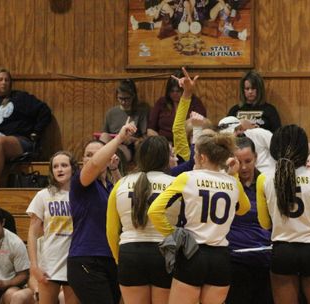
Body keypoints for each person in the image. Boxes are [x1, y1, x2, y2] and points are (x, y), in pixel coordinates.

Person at [147, 68, 250, 304]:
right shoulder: (230, 181)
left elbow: (154, 210)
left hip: (193, 252)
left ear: (201, 155)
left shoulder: (188, 176)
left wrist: (175, 237)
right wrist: (233, 177)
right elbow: (243, 209)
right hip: (221, 256)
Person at [256, 124, 310, 304]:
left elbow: (265, 224)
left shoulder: (264, 178)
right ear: (303, 149)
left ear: (275, 148)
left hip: (282, 251)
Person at [67, 121, 137, 304]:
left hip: (111, 260)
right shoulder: (80, 183)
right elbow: (96, 165)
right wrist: (120, 138)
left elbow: (125, 199)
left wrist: (114, 169)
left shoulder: (109, 187)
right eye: (88, 155)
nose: (92, 158)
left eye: (96, 154)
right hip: (87, 259)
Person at [106, 135, 175, 304]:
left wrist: (119, 258)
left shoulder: (121, 184)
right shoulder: (176, 183)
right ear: (166, 157)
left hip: (130, 253)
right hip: (165, 253)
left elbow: (111, 230)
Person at [0, 68, 52, 186]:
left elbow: (44, 111)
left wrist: (36, 132)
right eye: (0, 80)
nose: (4, 83)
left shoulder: (20, 98)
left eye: (7, 80)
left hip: (20, 140)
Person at [26, 151, 79, 304]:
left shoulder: (81, 196)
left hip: (74, 262)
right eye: (55, 166)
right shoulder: (43, 195)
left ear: (73, 169)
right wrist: (34, 265)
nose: (59, 169)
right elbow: (33, 234)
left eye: (64, 165)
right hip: (50, 262)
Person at [225, 136, 272, 304]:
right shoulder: (224, 185)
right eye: (238, 162)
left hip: (265, 260)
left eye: (248, 161)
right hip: (234, 260)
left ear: (256, 157)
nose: (244, 167)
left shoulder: (268, 183)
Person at [148, 70, 207, 144]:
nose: (174, 94)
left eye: (178, 91)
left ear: (184, 90)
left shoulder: (195, 102)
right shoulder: (162, 102)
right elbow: (150, 130)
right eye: (172, 91)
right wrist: (163, 145)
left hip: (187, 143)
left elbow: (203, 127)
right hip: (164, 145)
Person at [100, 79, 149, 163]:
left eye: (127, 99)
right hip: (113, 143)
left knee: (124, 149)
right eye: (120, 98)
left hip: (131, 146)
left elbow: (144, 138)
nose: (123, 102)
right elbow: (105, 134)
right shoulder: (111, 113)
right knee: (104, 136)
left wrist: (131, 139)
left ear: (133, 96)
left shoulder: (140, 112)